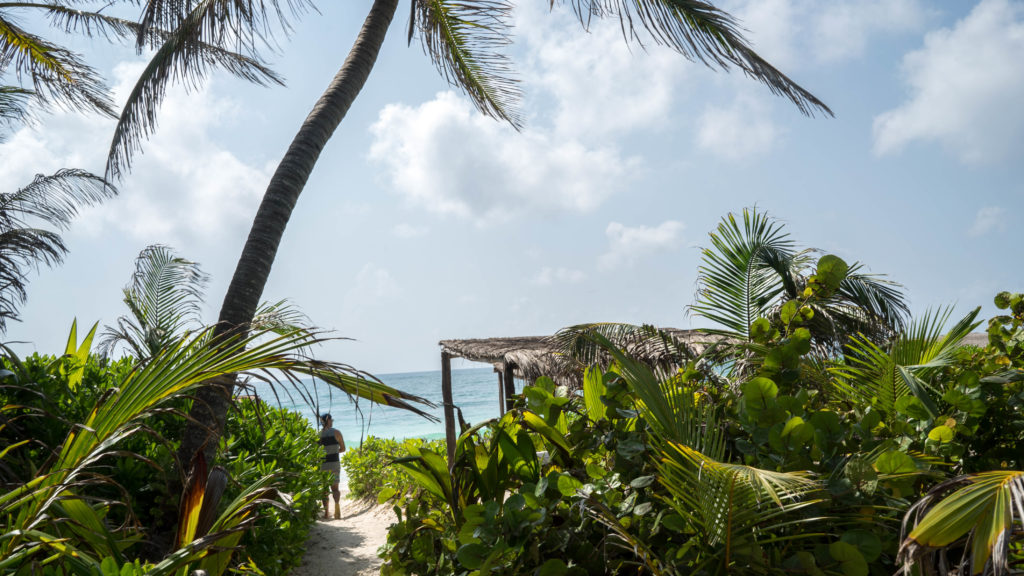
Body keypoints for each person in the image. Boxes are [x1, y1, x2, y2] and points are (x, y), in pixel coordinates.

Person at [318, 413, 345, 519]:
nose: (332, 421)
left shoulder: (318, 435)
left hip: (323, 465)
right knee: (335, 489)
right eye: (331, 420)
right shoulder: (336, 432)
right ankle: (337, 509)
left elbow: (316, 452)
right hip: (334, 464)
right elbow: (343, 449)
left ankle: (326, 513)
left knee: (324, 490)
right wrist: (334, 451)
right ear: (328, 420)